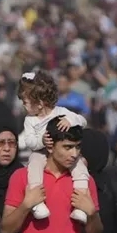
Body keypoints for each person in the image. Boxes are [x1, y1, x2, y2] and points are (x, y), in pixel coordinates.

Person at [17, 71, 90, 222]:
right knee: (34, 164)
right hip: (42, 153)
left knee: (80, 166)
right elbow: (30, 142)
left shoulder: (61, 112)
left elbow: (83, 121)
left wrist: (71, 120)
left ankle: (80, 204)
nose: (23, 105)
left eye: (25, 102)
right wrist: (41, 141)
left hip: (64, 154)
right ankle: (37, 202)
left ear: (39, 102)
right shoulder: (30, 121)